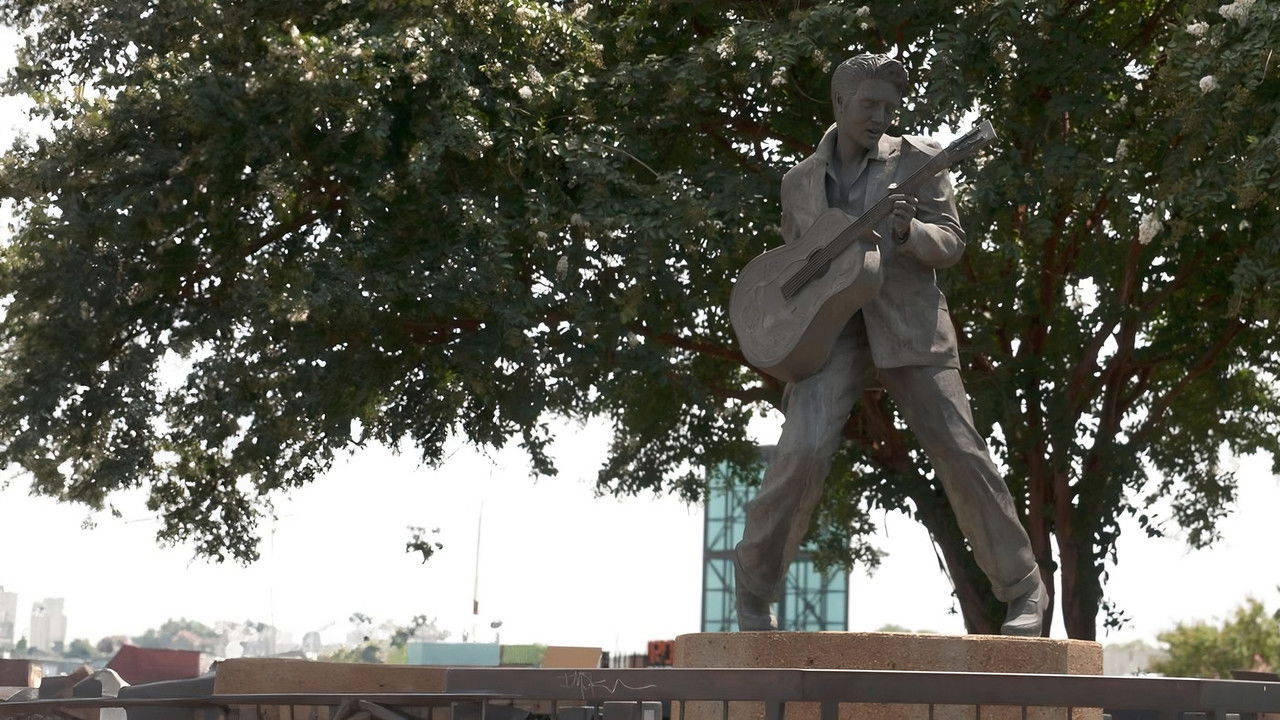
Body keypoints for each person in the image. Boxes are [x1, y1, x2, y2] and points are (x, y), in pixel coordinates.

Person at [733, 53, 1047, 636]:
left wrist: (908, 231)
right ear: (839, 102)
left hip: (909, 325)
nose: (880, 116)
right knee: (800, 452)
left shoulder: (920, 159)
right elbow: (796, 258)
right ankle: (753, 589)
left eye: (889, 107)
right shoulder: (799, 181)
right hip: (830, 333)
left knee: (961, 451)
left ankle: (1024, 586)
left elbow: (951, 242)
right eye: (869, 104)